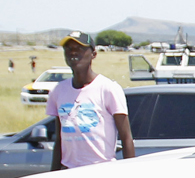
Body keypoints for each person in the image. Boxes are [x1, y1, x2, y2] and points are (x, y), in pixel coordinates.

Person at [46, 31, 134, 170]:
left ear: (93, 54)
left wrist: (130, 173)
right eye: (68, 49)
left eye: (79, 49)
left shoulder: (108, 88)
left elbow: (126, 138)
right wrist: (54, 173)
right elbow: (59, 140)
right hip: (68, 172)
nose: (73, 53)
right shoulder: (58, 91)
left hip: (101, 170)